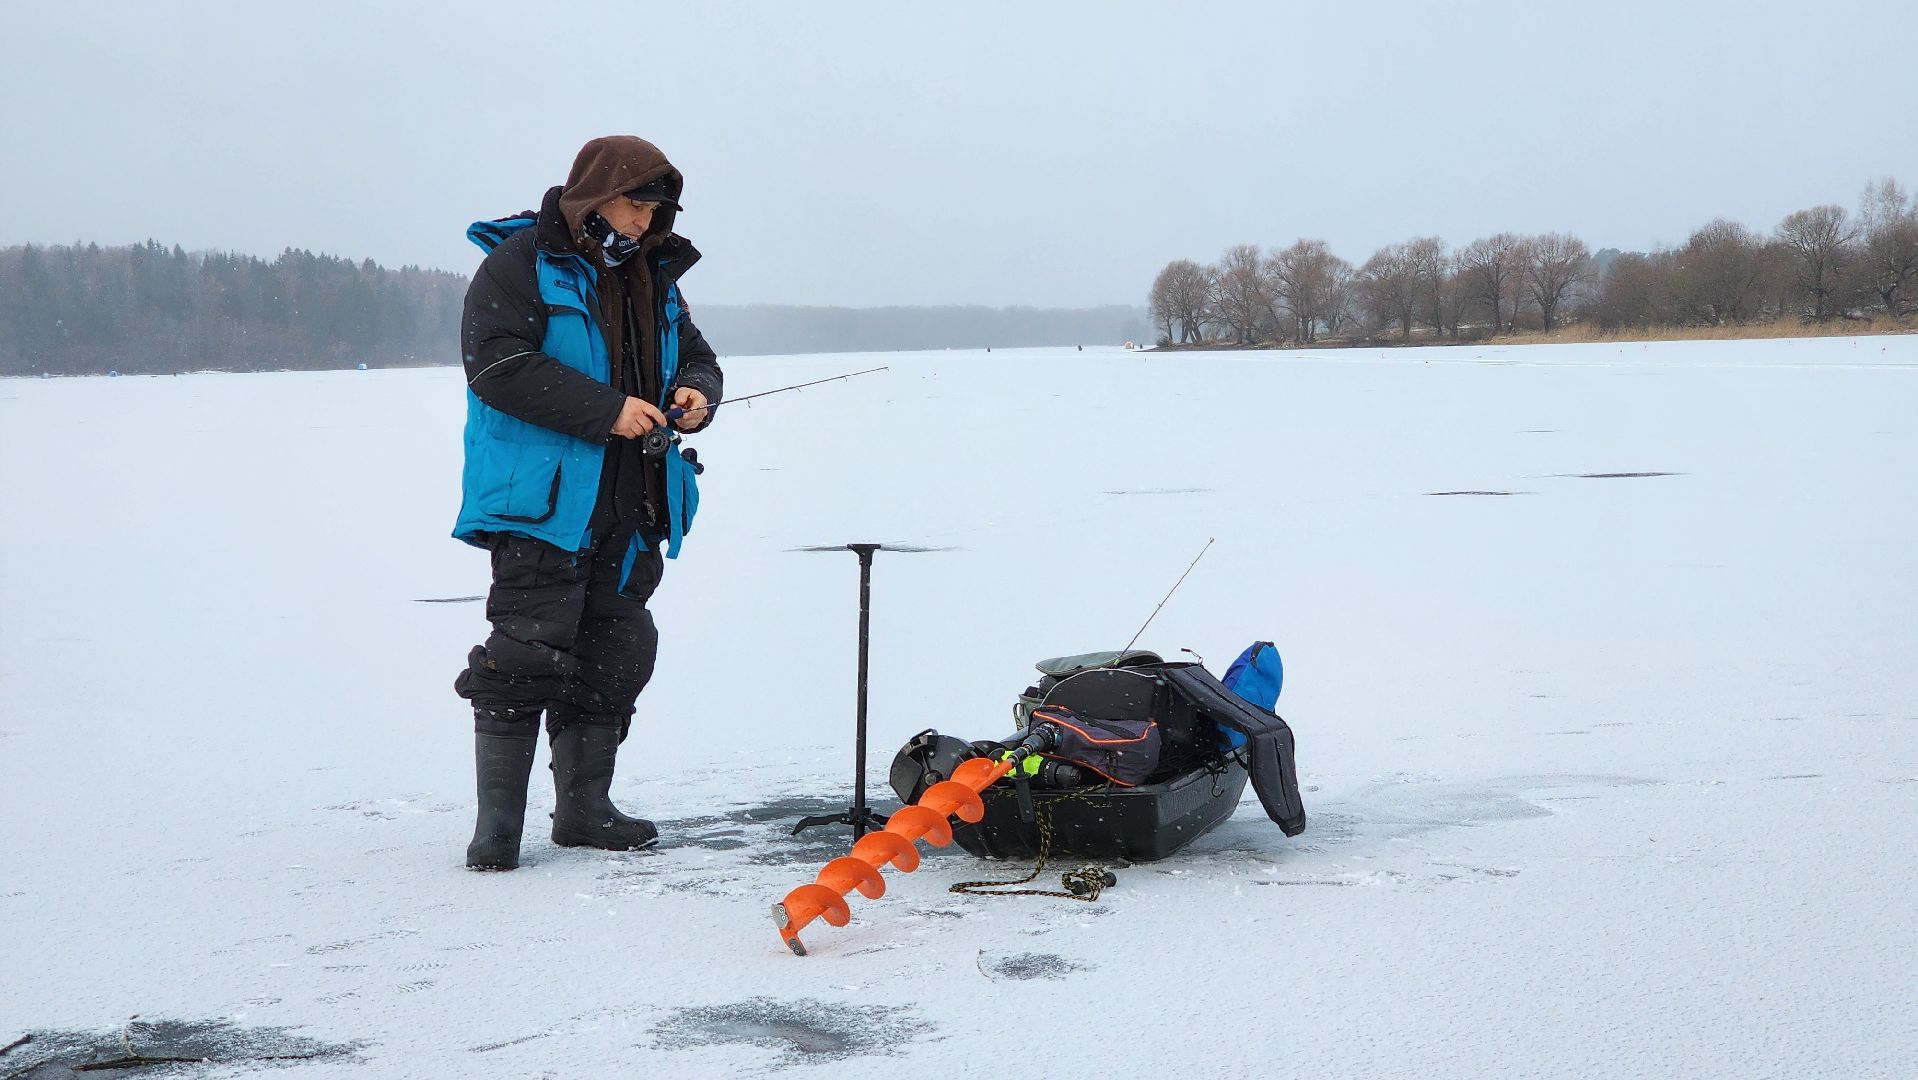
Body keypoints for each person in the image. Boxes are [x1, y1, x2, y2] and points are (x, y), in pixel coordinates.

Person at [451, 136, 723, 871]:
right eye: (636, 204)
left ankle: (583, 811)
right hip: (544, 503)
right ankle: (497, 829)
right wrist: (607, 410)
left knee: (617, 647)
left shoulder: (654, 274)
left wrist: (697, 393)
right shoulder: (519, 265)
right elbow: (498, 366)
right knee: (524, 650)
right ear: (597, 194)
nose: (644, 221)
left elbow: (698, 355)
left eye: (655, 210)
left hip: (635, 501)